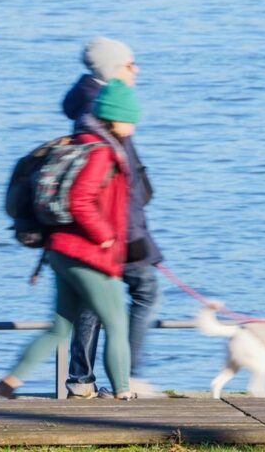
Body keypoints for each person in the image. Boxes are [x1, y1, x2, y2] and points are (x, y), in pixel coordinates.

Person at [0, 79, 141, 400]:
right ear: (115, 117)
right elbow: (80, 200)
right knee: (118, 322)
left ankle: (5, 386)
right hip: (89, 254)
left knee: (60, 328)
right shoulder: (101, 154)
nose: (134, 126)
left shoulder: (75, 143)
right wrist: (106, 237)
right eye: (130, 118)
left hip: (61, 251)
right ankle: (124, 395)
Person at [62, 37, 163, 399]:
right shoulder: (105, 108)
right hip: (114, 230)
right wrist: (131, 238)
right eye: (129, 64)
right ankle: (127, 376)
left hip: (103, 230)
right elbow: (118, 185)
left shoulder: (88, 106)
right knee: (145, 292)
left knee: (92, 302)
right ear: (112, 69)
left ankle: (82, 379)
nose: (135, 70)